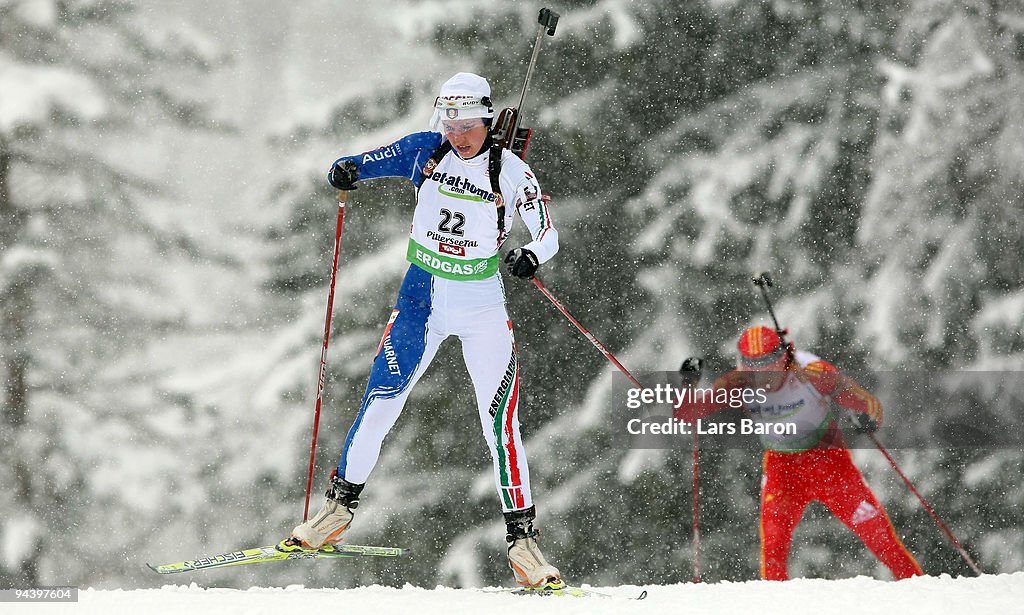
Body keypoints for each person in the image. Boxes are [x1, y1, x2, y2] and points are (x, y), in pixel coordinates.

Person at [281, 73, 563, 590]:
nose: (459, 134)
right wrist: (344, 171)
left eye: (470, 124)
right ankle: (336, 512)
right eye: (450, 123)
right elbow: (361, 164)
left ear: (487, 119)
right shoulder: (425, 152)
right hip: (421, 298)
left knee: (499, 422)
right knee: (381, 400)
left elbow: (546, 229)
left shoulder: (512, 171)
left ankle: (524, 546)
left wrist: (530, 254)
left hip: (481, 304)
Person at [675, 325, 923, 581]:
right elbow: (687, 413)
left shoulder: (810, 372)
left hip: (829, 460)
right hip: (783, 469)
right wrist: (687, 384)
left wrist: (865, 417)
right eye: (753, 374)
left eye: (768, 373)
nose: (762, 382)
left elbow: (868, 403)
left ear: (783, 360)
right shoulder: (736, 384)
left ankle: (922, 594)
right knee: (773, 549)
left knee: (879, 536)